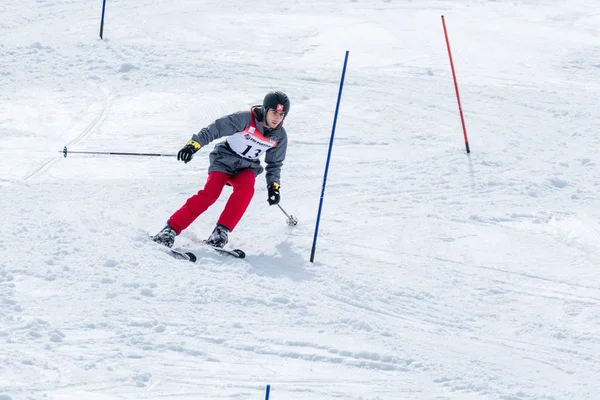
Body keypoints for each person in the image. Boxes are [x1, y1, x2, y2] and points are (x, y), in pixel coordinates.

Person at [151, 91, 290, 249]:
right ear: (265, 110)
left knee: (247, 188)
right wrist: (193, 145)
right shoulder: (245, 119)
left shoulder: (280, 137)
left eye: (281, 114)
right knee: (210, 194)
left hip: (247, 167)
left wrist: (274, 187)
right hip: (224, 160)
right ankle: (170, 229)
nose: (277, 118)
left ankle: (220, 232)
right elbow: (215, 129)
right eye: (274, 112)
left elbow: (275, 165)